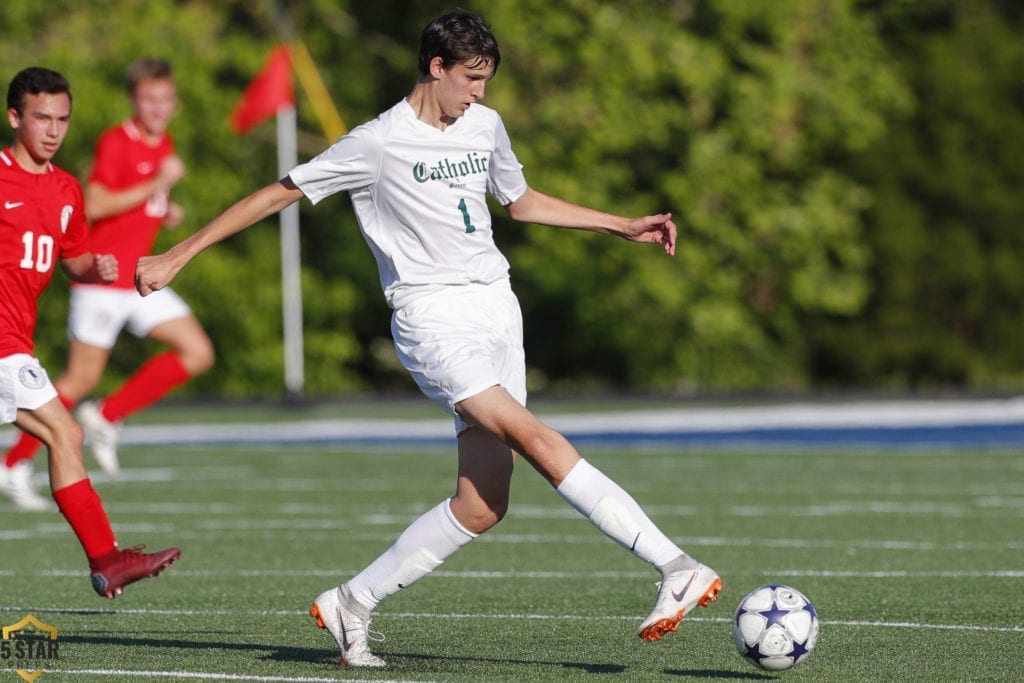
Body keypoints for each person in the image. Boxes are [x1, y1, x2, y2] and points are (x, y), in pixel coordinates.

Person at [135, 10, 721, 667]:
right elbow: (277, 194)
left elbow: (520, 201)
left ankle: (350, 601)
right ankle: (673, 563)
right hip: (432, 321)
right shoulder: (375, 143)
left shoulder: (486, 125)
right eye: (471, 78)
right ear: (435, 68)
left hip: (498, 310)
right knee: (535, 437)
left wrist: (620, 225)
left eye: (487, 80)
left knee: (482, 503)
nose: (480, 92)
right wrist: (177, 254)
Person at [0, 66, 180, 596]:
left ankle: (107, 560)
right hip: (2, 344)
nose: (53, 130)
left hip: (16, 339)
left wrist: (92, 267)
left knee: (65, 433)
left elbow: (71, 258)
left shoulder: (64, 189)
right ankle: (107, 559)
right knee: (65, 431)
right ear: (15, 118)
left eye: (62, 120)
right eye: (41, 118)